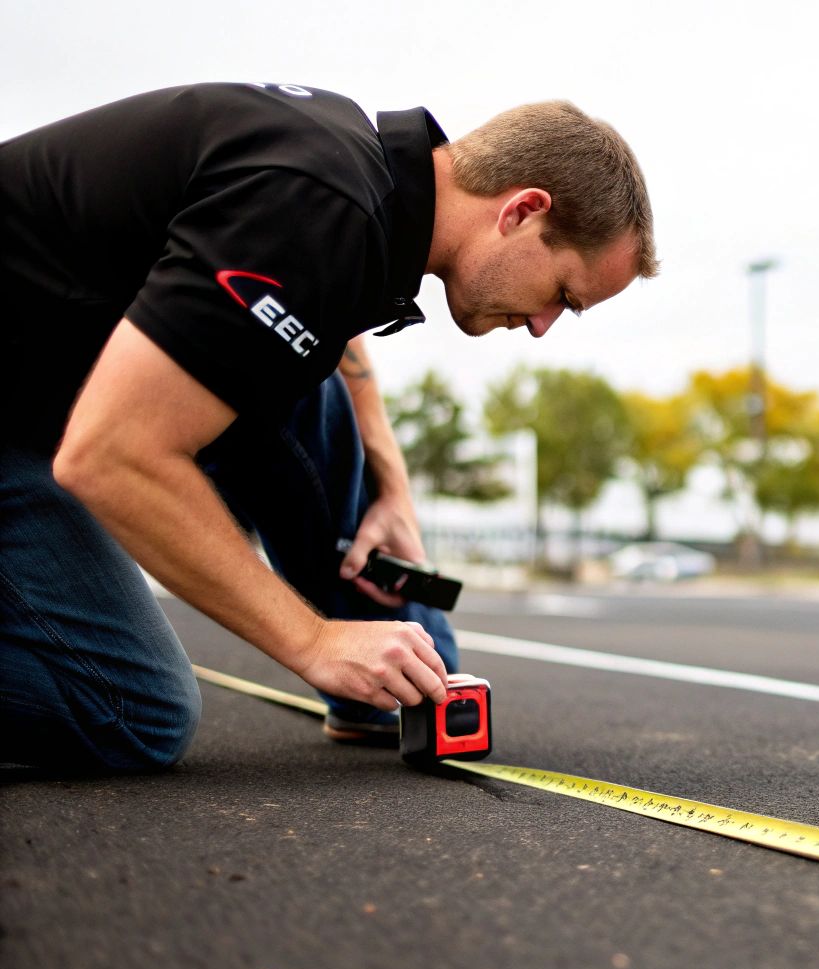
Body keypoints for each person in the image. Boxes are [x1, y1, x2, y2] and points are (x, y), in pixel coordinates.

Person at [0, 82, 657, 771]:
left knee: (303, 395)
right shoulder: (317, 204)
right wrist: (313, 642)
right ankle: (351, 656)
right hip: (27, 424)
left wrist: (392, 487)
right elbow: (110, 456)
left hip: (50, 396)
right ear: (522, 211)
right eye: (562, 294)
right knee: (136, 711)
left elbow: (324, 318)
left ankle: (379, 678)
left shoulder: (356, 186)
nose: (543, 327)